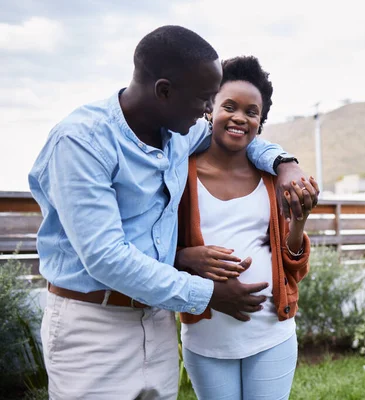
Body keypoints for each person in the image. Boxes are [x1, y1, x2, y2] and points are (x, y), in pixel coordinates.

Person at [28, 26, 317, 400]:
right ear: (164, 91)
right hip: (93, 324)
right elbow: (106, 258)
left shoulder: (177, 133)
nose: (208, 110)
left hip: (156, 319)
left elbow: (242, 138)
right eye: (204, 99)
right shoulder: (81, 142)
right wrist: (209, 293)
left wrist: (285, 163)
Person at [177, 55, 317, 400]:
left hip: (272, 333)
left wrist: (298, 224)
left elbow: (294, 265)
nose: (239, 117)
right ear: (210, 108)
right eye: (229, 106)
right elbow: (157, 250)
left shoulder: (273, 179)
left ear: (260, 122)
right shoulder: (180, 174)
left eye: (251, 112)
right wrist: (186, 257)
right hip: (207, 339)